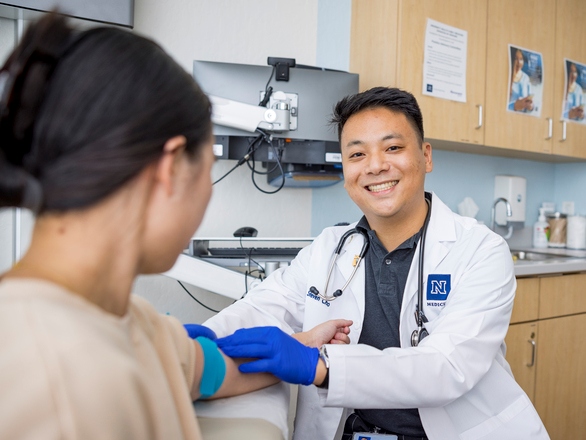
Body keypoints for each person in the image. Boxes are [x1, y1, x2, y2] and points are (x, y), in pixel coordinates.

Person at [0, 13, 349, 440]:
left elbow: (215, 369)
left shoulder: (133, 325)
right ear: (170, 169)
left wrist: (302, 343)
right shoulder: (55, 383)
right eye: (205, 171)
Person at [202, 87, 549, 439]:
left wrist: (320, 366)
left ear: (426, 157)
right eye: (357, 154)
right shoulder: (328, 249)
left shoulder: (480, 250)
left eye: (393, 148)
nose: (375, 166)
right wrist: (200, 340)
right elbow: (262, 308)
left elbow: (447, 367)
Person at [509, 48, 534, 112]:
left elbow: (532, 102)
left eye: (521, 59)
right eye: (516, 59)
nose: (519, 62)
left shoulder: (525, 78)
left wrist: (531, 106)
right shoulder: (506, 76)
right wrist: (514, 106)